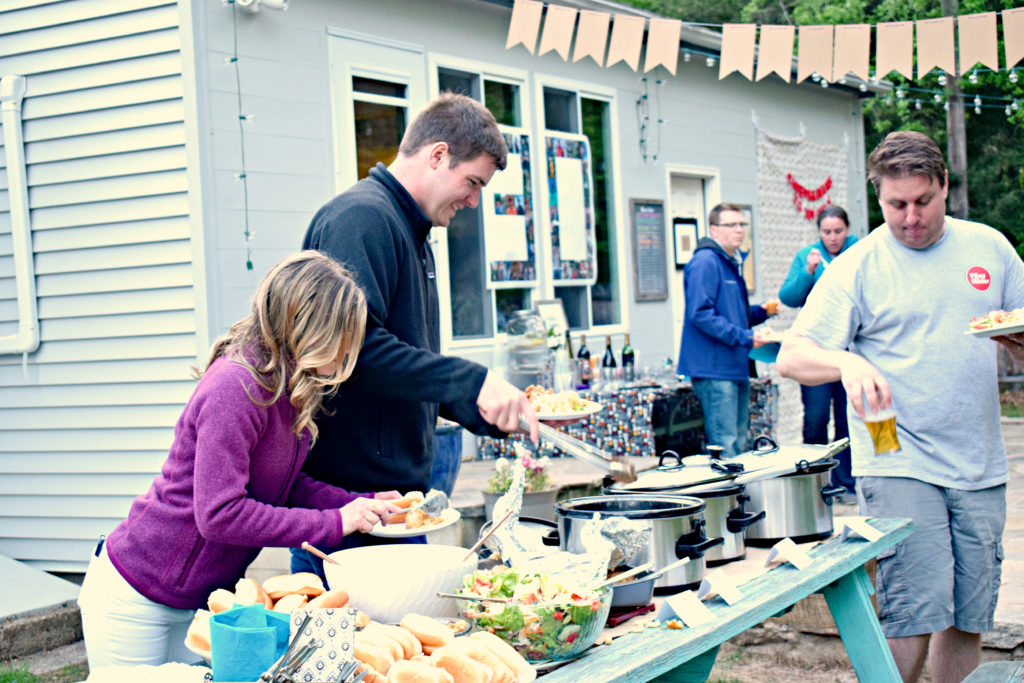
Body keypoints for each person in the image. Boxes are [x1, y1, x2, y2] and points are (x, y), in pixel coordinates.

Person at [777, 130, 1024, 683]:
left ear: (944, 188)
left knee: (967, 613)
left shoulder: (990, 248)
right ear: (879, 198)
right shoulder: (857, 265)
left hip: (979, 460)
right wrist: (847, 364)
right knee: (914, 608)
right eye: (896, 205)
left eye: (923, 201)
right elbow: (793, 355)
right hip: (896, 454)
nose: (911, 217)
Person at [76, 251, 404, 668]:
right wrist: (335, 524)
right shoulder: (237, 386)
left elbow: (285, 487)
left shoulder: (288, 387)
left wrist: (361, 503)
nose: (347, 353)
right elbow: (218, 514)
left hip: (202, 602)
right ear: (310, 327)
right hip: (136, 596)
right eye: (343, 337)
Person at [297, 92, 540, 577]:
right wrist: (471, 380)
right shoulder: (361, 220)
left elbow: (409, 367)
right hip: (350, 508)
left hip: (396, 507)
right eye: (472, 182)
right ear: (437, 156)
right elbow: (354, 352)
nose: (473, 200)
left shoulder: (413, 233)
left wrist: (491, 410)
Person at [678, 203, 775, 458]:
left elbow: (733, 315)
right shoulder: (706, 261)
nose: (739, 230)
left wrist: (763, 311)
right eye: (731, 225)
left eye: (742, 224)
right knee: (726, 444)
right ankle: (728, 498)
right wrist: (745, 337)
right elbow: (700, 314)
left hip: (735, 366)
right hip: (714, 369)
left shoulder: (729, 261)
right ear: (713, 229)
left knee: (739, 442)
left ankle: (739, 498)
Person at [779, 204, 858, 497]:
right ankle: (814, 482)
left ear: (847, 230)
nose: (833, 237)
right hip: (815, 353)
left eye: (838, 231)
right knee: (815, 417)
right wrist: (807, 272)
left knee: (847, 419)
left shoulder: (858, 252)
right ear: (819, 232)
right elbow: (788, 297)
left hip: (850, 352)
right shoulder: (807, 256)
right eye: (827, 232)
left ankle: (846, 482)